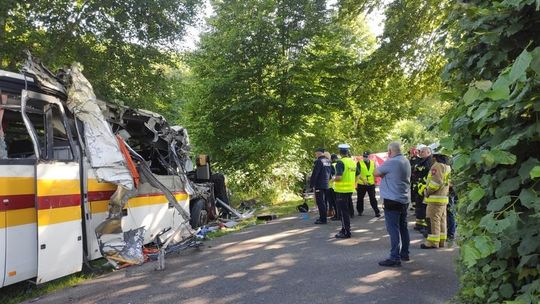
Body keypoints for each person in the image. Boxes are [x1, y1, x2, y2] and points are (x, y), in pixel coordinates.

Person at [374, 141, 411, 267]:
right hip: (404, 198)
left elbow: (376, 173)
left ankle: (394, 257)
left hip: (392, 200)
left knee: (393, 229)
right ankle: (404, 253)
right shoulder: (406, 161)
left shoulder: (391, 162)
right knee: (403, 228)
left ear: (390, 151)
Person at [421, 153, 452, 249]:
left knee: (432, 220)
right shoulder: (447, 167)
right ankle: (441, 241)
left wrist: (427, 191)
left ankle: (432, 242)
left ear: (435, 157)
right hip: (443, 198)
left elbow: (435, 182)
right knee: (441, 220)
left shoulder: (437, 166)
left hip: (435, 198)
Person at [333, 144, 359, 238]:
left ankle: (346, 232)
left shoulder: (340, 162)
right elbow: (358, 175)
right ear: (348, 152)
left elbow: (339, 177)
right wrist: (354, 184)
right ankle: (344, 229)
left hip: (341, 190)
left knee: (343, 212)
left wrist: (332, 179)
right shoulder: (352, 162)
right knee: (346, 211)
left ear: (340, 153)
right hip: (349, 189)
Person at [411, 145, 433, 233]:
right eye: (420, 151)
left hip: (424, 188)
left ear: (428, 152)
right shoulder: (420, 161)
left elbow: (428, 175)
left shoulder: (430, 161)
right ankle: (419, 224)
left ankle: (424, 226)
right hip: (418, 188)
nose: (420, 153)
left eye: (422, 152)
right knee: (418, 206)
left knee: (424, 207)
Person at [310, 147, 332, 224]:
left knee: (320, 202)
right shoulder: (328, 161)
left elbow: (315, 173)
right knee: (324, 202)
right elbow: (330, 173)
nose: (315, 155)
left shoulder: (319, 161)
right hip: (326, 184)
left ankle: (323, 219)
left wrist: (311, 184)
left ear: (318, 153)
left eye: (316, 153)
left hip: (319, 184)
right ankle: (323, 217)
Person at [356, 151, 381, 217]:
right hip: (362, 183)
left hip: (371, 183)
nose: (365, 158)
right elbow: (357, 173)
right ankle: (360, 211)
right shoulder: (359, 163)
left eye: (366, 156)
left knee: (373, 198)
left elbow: (375, 172)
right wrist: (363, 179)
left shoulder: (373, 163)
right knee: (360, 198)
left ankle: (376, 211)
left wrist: (375, 181)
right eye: (364, 156)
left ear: (369, 156)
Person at [327, 153, 338, 220]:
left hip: (332, 186)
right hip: (338, 186)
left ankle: (337, 215)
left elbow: (333, 175)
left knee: (333, 202)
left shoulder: (332, 165)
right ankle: (337, 214)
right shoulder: (340, 164)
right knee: (336, 201)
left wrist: (329, 181)